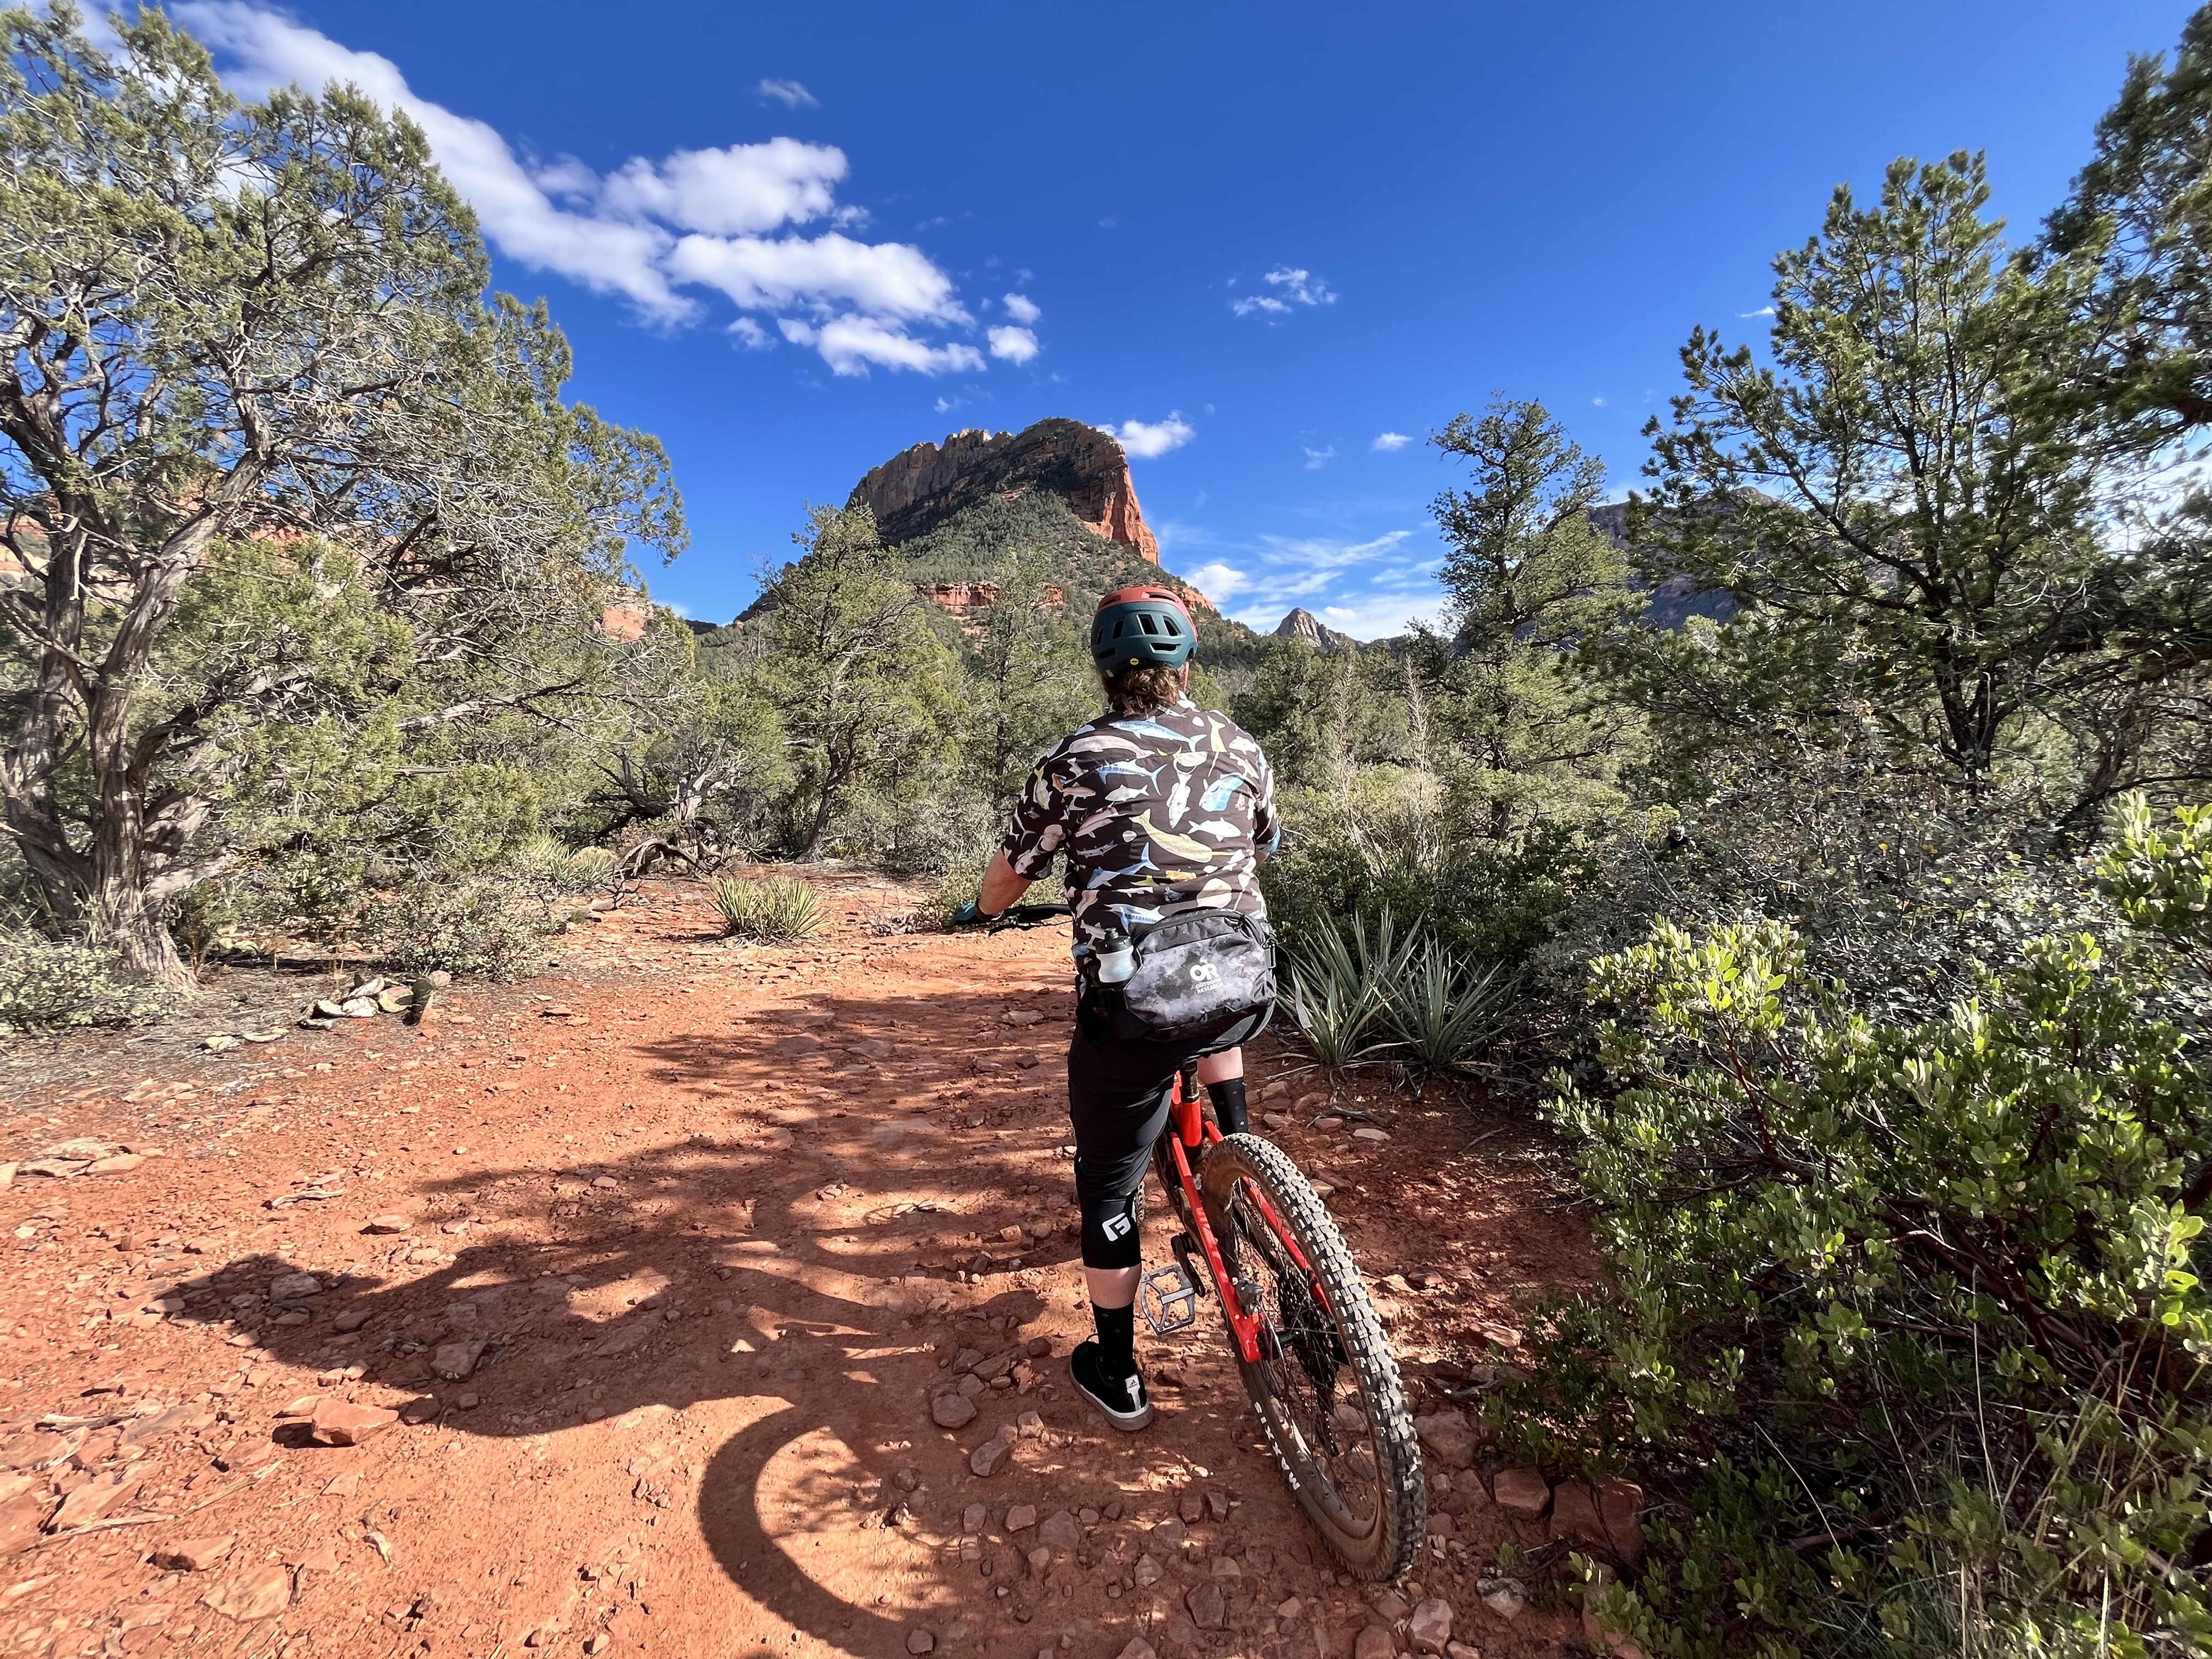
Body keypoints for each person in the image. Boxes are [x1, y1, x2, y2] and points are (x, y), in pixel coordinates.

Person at [953, 585, 1279, 1431]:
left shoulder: (1074, 759)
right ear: (1188, 664)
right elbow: (1266, 841)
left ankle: (1119, 1371)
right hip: (1243, 986)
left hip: (1134, 1011)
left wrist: (983, 912)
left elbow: (1005, 879)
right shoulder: (1241, 745)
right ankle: (1238, 1152)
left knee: (1107, 1184)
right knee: (1211, 1005)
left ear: (1102, 670)